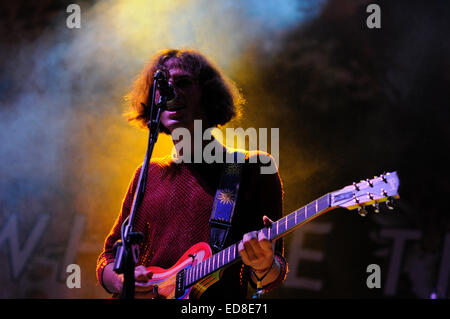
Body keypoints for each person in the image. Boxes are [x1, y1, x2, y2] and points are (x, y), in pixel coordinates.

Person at [96, 49, 288, 299]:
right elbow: (109, 256)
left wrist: (263, 265)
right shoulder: (148, 173)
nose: (171, 92)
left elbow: (274, 272)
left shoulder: (255, 167)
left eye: (183, 82)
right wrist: (121, 281)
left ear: (208, 94)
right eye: (162, 84)